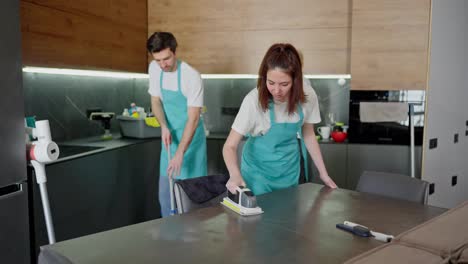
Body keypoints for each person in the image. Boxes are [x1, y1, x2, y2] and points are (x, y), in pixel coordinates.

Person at [222, 43, 337, 196]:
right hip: (258, 174)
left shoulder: (308, 96)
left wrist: (323, 173)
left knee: (287, 218)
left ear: (296, 80)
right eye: (271, 83)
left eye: (284, 84)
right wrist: (235, 175)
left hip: (289, 172)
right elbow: (229, 146)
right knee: (260, 218)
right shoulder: (253, 100)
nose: (277, 90)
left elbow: (308, 134)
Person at [147, 32, 207, 217]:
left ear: (174, 51)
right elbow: (155, 101)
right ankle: (170, 242)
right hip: (169, 142)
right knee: (166, 197)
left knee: (191, 203)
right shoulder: (154, 69)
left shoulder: (191, 76)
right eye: (158, 60)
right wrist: (163, 125)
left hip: (191, 146)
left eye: (166, 58)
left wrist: (181, 152)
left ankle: (192, 244)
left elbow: (194, 118)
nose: (163, 64)